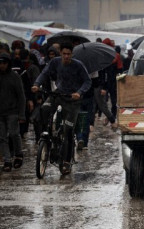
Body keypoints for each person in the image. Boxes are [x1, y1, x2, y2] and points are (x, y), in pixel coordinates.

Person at [32, 42, 91, 175]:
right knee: (44, 109)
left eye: (68, 54)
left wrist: (79, 92)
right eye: (63, 54)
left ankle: (66, 161)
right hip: (58, 94)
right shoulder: (54, 62)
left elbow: (87, 81)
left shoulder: (78, 65)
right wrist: (37, 84)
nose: (66, 56)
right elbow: (44, 73)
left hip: (72, 100)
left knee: (68, 129)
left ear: (72, 54)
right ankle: (47, 135)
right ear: (60, 54)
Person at [0, 52, 26, 172]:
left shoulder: (15, 77)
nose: (2, 65)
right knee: (2, 138)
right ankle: (7, 160)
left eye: (4, 63)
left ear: (8, 63)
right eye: (0, 63)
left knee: (14, 134)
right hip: (1, 113)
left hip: (13, 111)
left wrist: (21, 114)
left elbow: (21, 96)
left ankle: (18, 154)